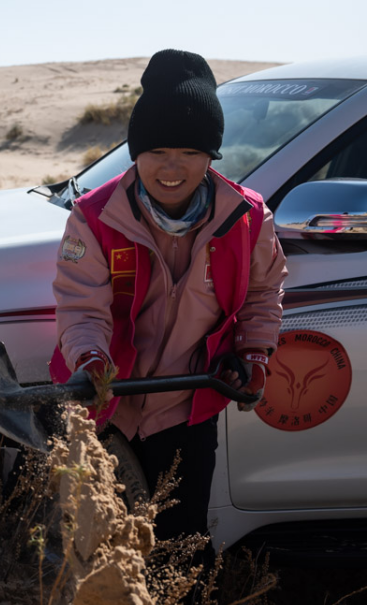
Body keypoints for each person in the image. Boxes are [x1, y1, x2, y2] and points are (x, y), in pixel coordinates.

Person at [49, 50, 288, 569]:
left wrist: (254, 353)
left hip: (188, 407)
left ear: (211, 155)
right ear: (136, 153)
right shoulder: (94, 218)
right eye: (155, 150)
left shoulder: (248, 219)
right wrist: (90, 360)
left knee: (181, 547)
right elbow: (80, 303)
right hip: (103, 406)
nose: (171, 166)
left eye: (188, 150)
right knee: (95, 547)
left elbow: (262, 295)